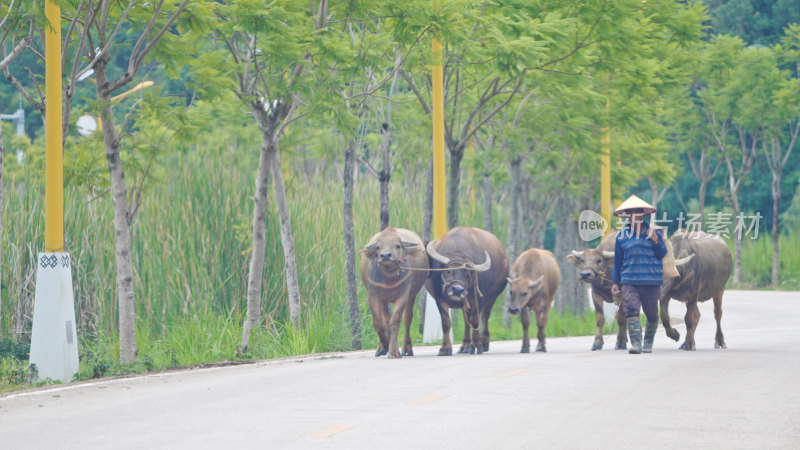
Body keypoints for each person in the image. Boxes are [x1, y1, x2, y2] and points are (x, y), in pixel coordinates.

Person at [610, 195, 668, 354]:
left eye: (637, 212)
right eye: (631, 213)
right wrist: (615, 283)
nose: (634, 215)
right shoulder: (621, 236)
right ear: (628, 216)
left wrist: (656, 240)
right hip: (629, 280)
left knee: (651, 314)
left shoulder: (654, 232)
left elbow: (662, 253)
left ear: (642, 214)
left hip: (651, 280)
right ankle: (636, 344)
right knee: (631, 310)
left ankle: (648, 343)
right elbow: (618, 261)